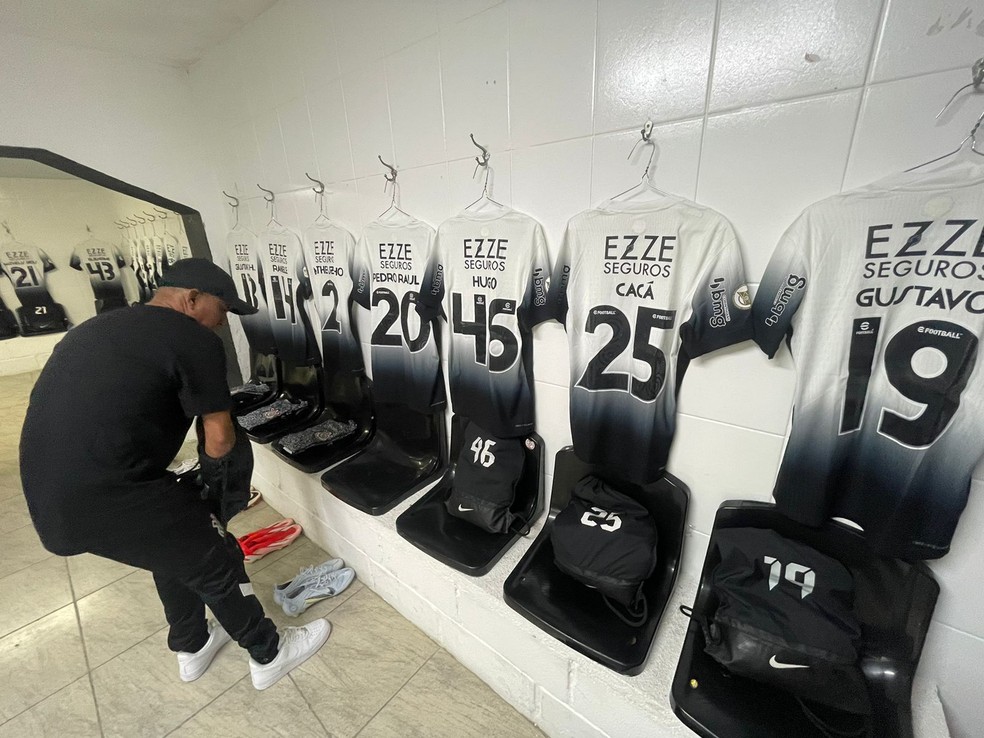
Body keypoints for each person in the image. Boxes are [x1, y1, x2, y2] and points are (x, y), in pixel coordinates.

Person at [19, 257, 329, 690]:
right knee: (214, 558)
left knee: (172, 542)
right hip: (113, 490)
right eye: (222, 312)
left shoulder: (97, 327)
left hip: (51, 498)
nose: (221, 324)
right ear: (192, 299)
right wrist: (218, 499)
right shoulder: (192, 338)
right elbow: (219, 437)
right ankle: (269, 652)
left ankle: (192, 644)